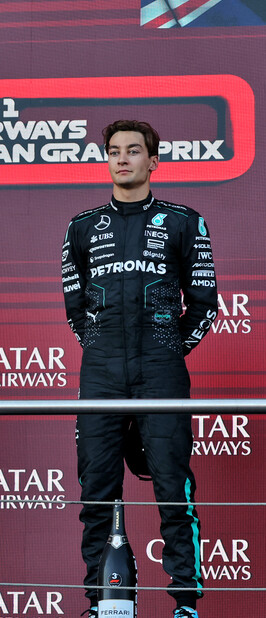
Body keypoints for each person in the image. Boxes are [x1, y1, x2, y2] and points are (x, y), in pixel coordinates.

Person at [62, 120, 218, 618]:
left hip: (160, 369)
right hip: (102, 372)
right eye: (113, 151)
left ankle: (186, 604)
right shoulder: (82, 226)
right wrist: (105, 350)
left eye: (134, 151)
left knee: (174, 488)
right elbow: (74, 308)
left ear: (154, 161)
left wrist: (168, 351)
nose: (122, 159)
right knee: (96, 492)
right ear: (105, 160)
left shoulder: (184, 221)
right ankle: (99, 603)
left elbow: (204, 304)